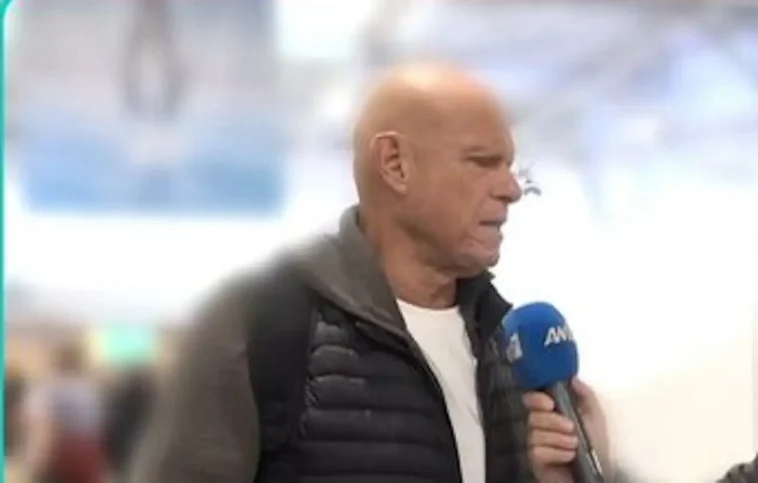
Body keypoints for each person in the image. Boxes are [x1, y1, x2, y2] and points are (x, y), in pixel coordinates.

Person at [132, 63, 610, 483]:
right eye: (483, 162)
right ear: (395, 164)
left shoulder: (508, 349)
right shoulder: (257, 327)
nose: (511, 189)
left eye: (509, 167)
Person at [23, 341, 106, 483]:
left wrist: (33, 465)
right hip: (89, 456)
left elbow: (46, 431)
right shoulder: (90, 391)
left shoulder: (50, 389)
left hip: (59, 457)